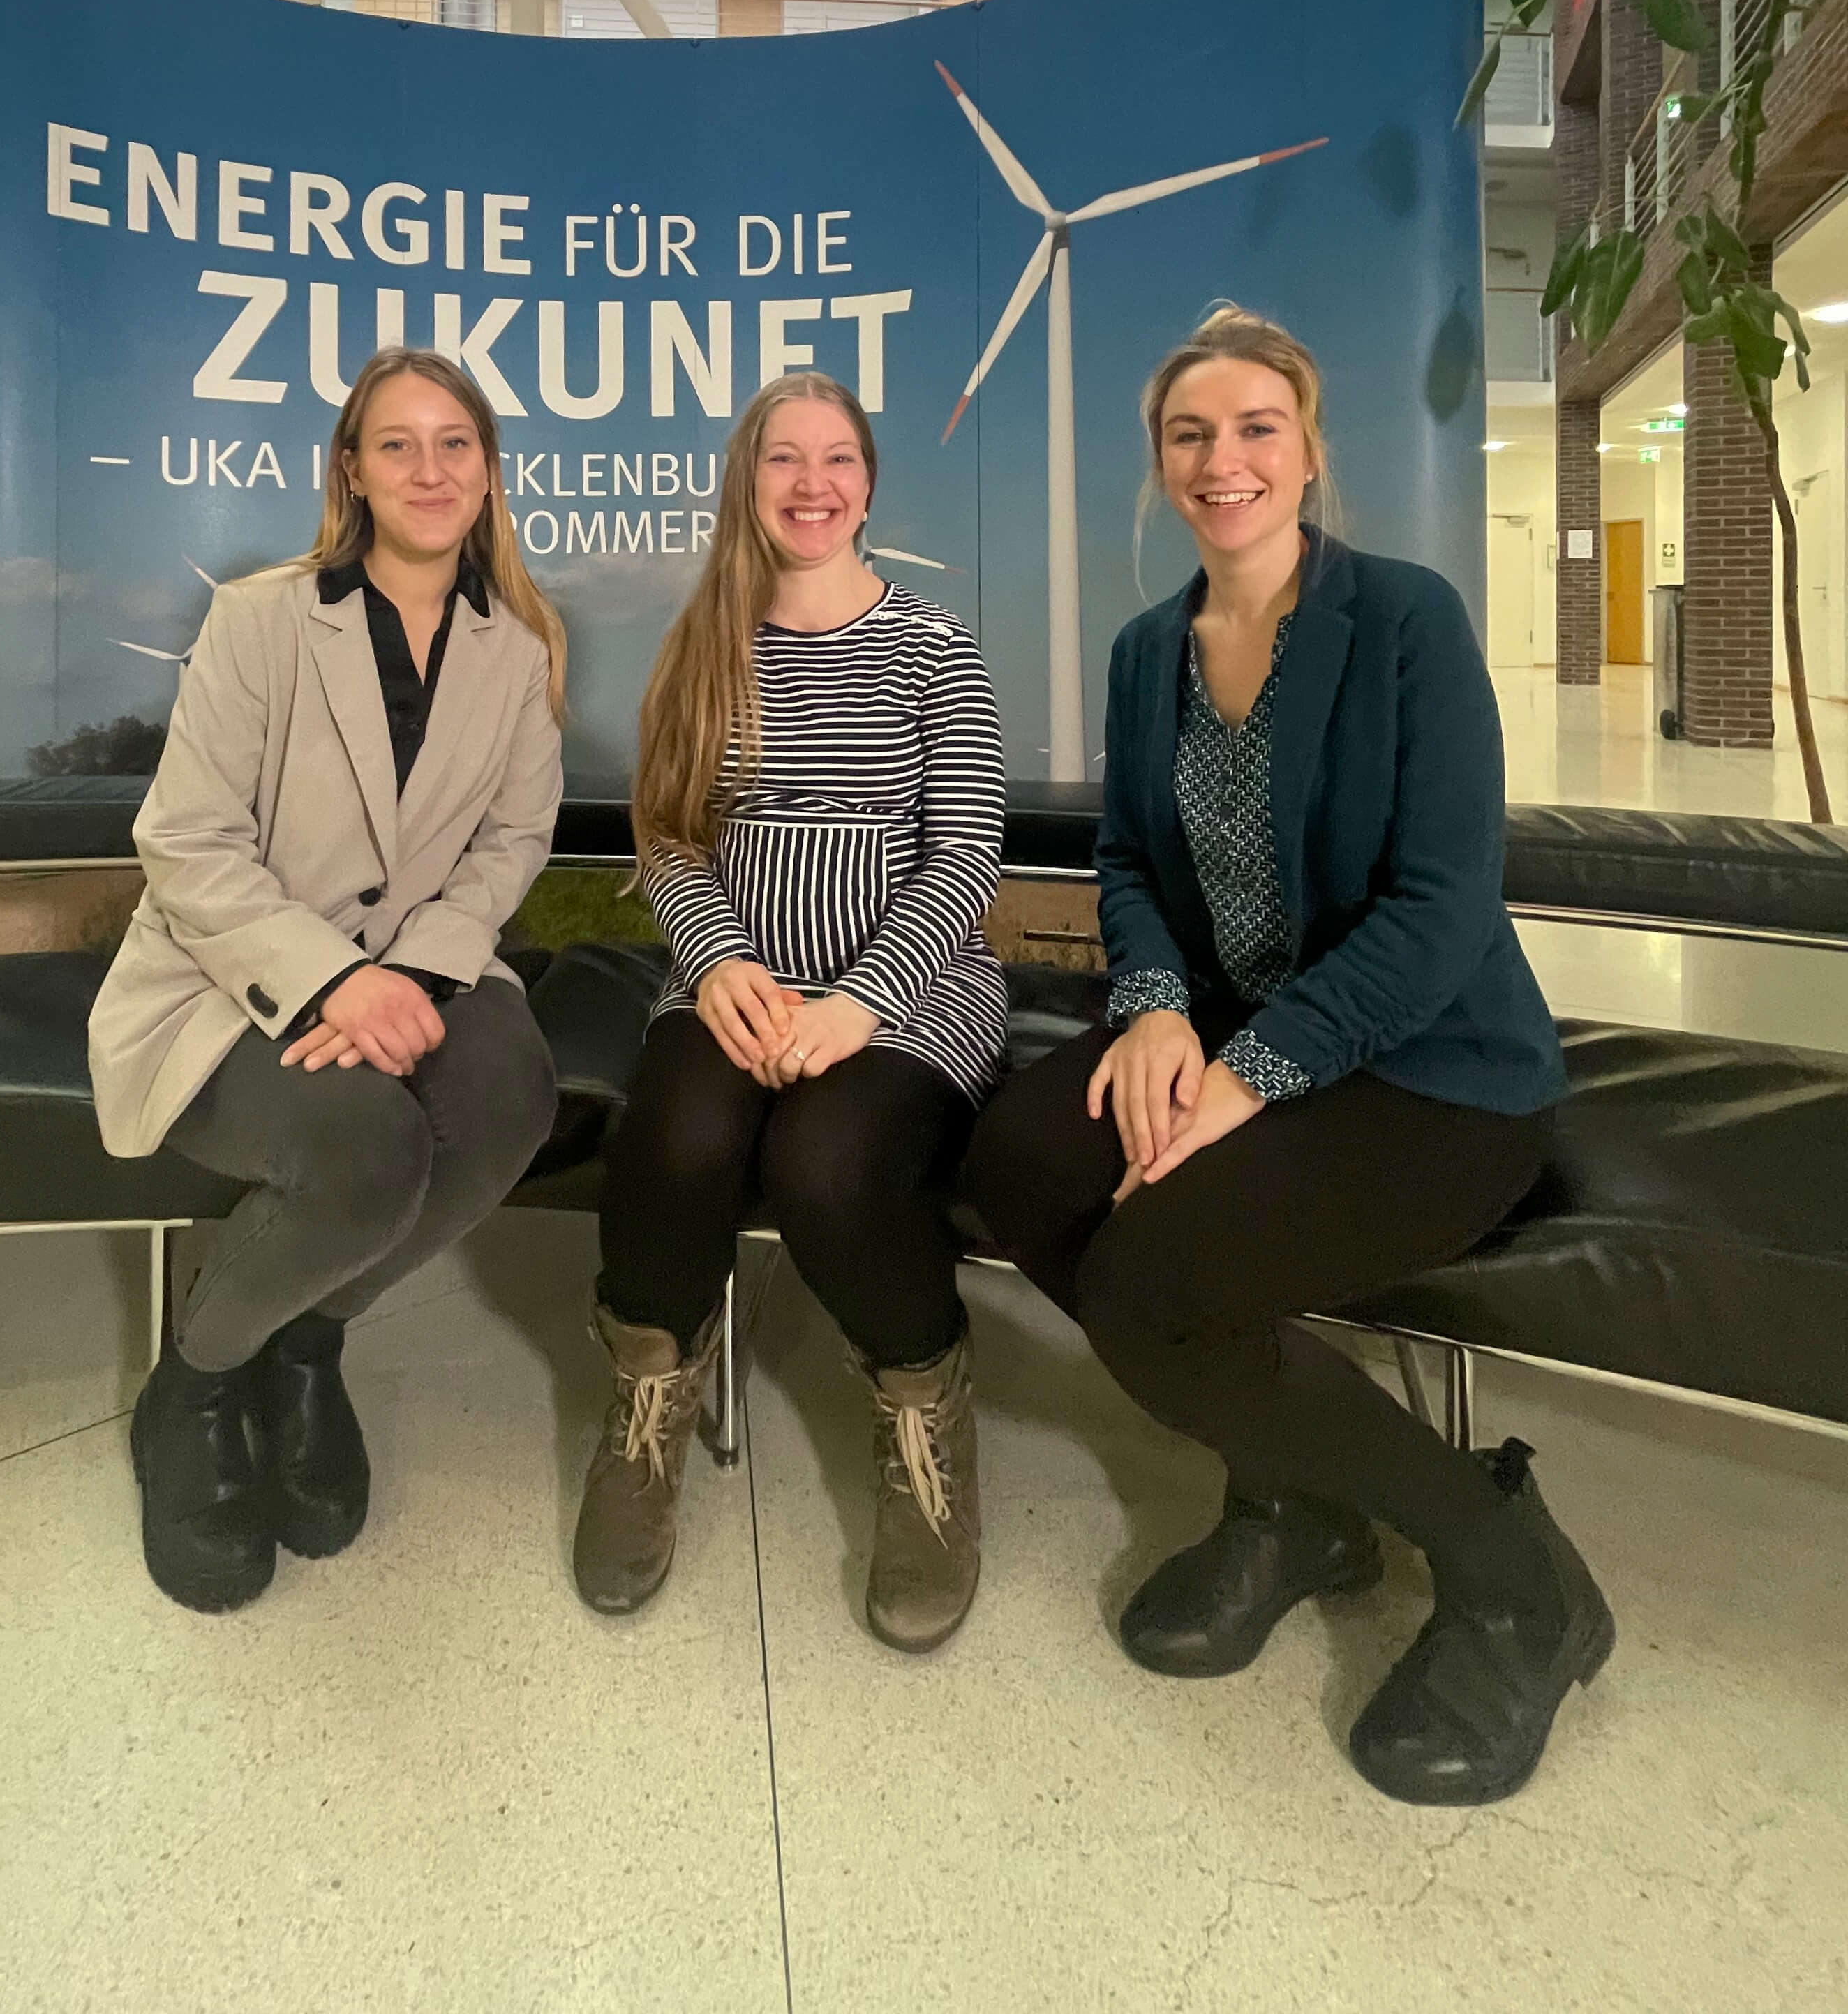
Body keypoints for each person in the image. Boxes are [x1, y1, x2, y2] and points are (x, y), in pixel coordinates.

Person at [966, 304, 1612, 1805]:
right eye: (1190, 434)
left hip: (1431, 1074)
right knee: (1021, 1158)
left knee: (1154, 1283)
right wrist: (1155, 1008)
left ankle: (1514, 1573)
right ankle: (1301, 1504)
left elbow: (1445, 908)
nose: (1225, 459)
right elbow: (1132, 863)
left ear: (1310, 453)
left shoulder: (1406, 622)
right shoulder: (1149, 653)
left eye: (1257, 428)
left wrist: (1248, 1078)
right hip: (1225, 1030)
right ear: (1160, 465)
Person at [89, 348, 565, 1613]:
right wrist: (331, 985)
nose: (429, 469)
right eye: (397, 444)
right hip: (224, 977)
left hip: (423, 962)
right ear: (351, 469)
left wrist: (406, 973)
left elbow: (511, 844)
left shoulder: (519, 653)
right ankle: (195, 1384)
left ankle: (305, 1341)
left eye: (455, 444)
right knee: (366, 1148)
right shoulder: (261, 620)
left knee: (509, 1095)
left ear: (488, 472)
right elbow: (187, 843)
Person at [573, 373, 1006, 1651]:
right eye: (783, 459)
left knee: (827, 1163)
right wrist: (715, 964)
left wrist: (862, 1003)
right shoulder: (702, 645)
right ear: (745, 484)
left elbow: (966, 855)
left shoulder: (935, 645)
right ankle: (650, 1396)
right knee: (678, 1140)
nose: (812, 484)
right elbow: (666, 837)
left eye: (837, 460)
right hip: (736, 980)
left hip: (909, 992)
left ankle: (925, 1408)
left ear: (869, 484)